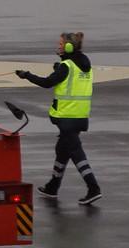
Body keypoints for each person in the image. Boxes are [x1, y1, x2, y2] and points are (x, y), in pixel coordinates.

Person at [17, 31, 100, 204]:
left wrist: (27, 75)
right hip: (80, 116)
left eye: (61, 44)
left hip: (67, 117)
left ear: (69, 46)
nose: (59, 46)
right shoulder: (85, 64)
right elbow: (72, 80)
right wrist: (59, 68)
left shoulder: (67, 66)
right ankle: (53, 187)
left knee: (76, 153)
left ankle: (93, 188)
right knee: (62, 150)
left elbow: (47, 83)